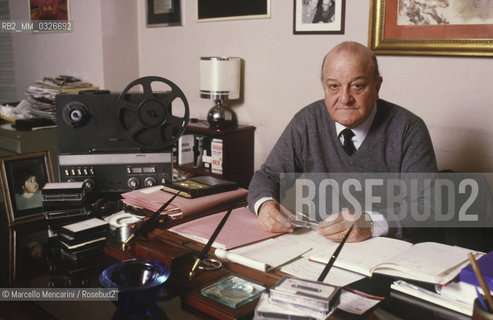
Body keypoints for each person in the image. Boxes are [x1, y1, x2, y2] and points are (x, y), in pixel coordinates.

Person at [248, 41, 437, 243]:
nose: (345, 98)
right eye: (334, 86)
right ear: (324, 87)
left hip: (387, 248)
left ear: (377, 86)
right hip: (322, 245)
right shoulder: (308, 121)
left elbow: (427, 206)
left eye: (357, 86)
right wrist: (265, 205)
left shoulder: (408, 128)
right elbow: (268, 175)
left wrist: (371, 223)